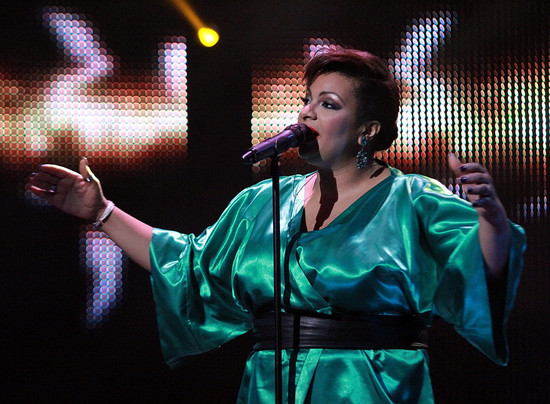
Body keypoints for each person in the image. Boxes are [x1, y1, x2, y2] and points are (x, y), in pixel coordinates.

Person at [27, 47, 526, 403]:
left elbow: (480, 270)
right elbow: (189, 264)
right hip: (271, 384)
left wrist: (493, 222)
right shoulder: (262, 201)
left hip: (372, 385)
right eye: (308, 100)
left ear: (367, 130)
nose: (307, 113)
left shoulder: (413, 198)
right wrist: (102, 213)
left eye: (328, 104)